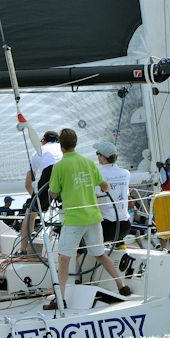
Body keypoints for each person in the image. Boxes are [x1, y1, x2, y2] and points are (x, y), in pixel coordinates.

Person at [44, 128, 130, 310]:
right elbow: (105, 186)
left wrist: (56, 192)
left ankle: (60, 299)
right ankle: (122, 286)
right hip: (93, 217)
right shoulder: (88, 163)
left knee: (64, 259)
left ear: (61, 145)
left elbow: (53, 193)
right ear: (75, 143)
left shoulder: (59, 167)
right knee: (100, 254)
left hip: (74, 219)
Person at [18, 130, 62, 255]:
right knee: (66, 207)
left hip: (50, 172)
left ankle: (23, 250)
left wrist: (36, 200)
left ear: (43, 140)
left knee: (30, 213)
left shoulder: (38, 151)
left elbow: (28, 184)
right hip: (67, 170)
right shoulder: (62, 148)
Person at [93, 140, 131, 245]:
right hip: (124, 227)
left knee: (81, 241)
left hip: (107, 227)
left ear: (102, 156)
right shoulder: (126, 173)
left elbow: (95, 197)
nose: (97, 156)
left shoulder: (98, 173)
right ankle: (120, 245)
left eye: (97, 153)